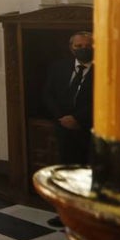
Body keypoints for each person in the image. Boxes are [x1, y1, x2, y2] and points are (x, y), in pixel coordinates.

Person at [43, 32, 94, 166]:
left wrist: (77, 119)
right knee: (66, 168)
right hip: (63, 127)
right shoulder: (58, 67)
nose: (84, 48)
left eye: (88, 45)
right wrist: (62, 117)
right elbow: (49, 94)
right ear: (71, 48)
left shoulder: (106, 69)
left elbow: (105, 101)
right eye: (79, 45)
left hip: (89, 128)